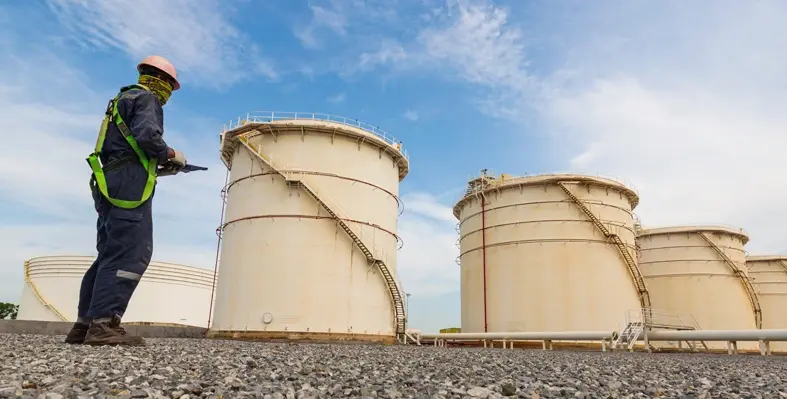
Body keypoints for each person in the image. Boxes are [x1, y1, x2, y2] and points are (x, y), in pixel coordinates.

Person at [64, 55, 188, 346]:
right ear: (164, 81)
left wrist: (158, 165)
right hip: (128, 183)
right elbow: (147, 137)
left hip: (109, 181)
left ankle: (84, 325)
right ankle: (104, 324)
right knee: (131, 252)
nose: (168, 94)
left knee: (109, 253)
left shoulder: (120, 100)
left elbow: (125, 146)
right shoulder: (147, 99)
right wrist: (171, 154)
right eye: (170, 87)